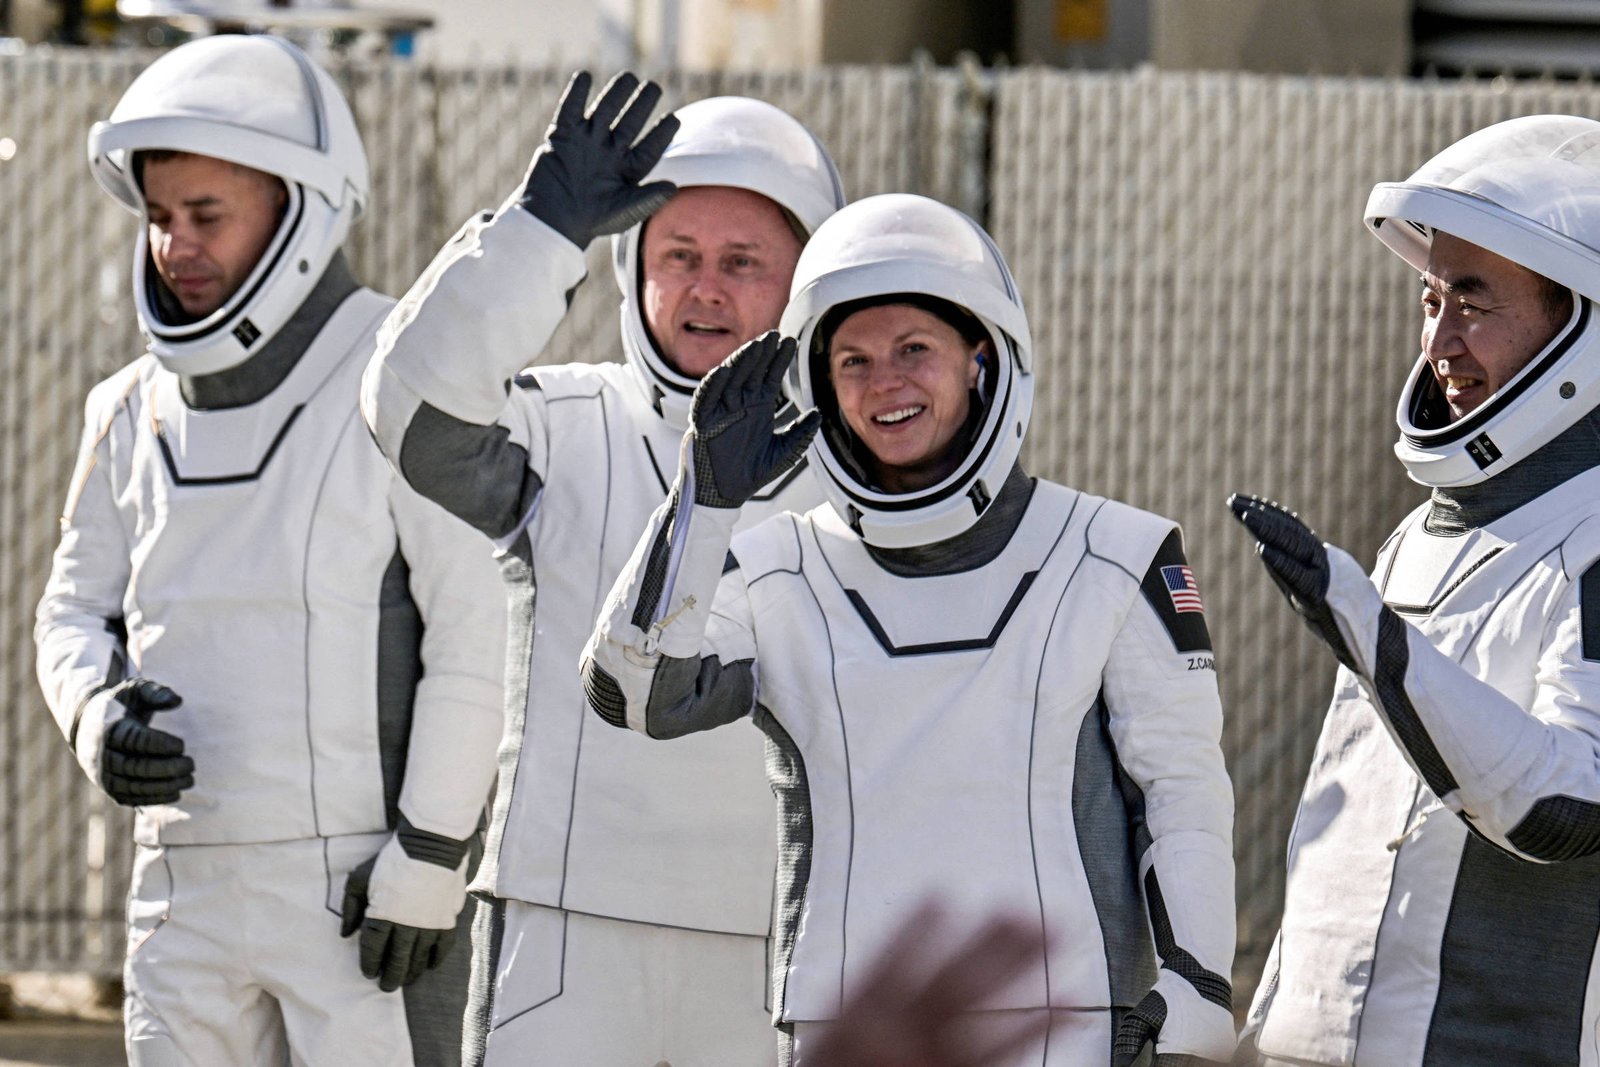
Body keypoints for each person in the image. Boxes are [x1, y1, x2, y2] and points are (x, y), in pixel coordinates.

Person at [582, 192, 1238, 1066]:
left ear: (981, 358)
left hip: (1071, 1023)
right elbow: (631, 694)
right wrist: (702, 502)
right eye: (852, 361)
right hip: (850, 1026)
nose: (884, 382)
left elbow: (1181, 790)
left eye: (914, 349)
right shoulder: (779, 565)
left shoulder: (1115, 554)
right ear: (821, 387)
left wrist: (1199, 987)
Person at [35, 35, 505, 1066]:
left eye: (207, 215)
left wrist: (431, 856)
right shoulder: (126, 410)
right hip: (181, 886)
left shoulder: (403, 374)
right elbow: (70, 610)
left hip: (362, 896)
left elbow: (480, 631)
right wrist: (95, 714)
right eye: (160, 216)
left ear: (301, 210)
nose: (175, 245)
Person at [360, 72, 843, 1063]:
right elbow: (409, 414)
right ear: (632, 268)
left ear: (806, 280)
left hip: (776, 941)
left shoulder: (861, 468)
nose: (705, 287)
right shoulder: (565, 424)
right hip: (559, 930)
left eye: (743, 262)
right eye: (678, 256)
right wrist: (538, 229)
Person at [1230, 114, 1600, 1067]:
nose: (1440, 338)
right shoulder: (1413, 538)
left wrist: (1379, 641)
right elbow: (1340, 815)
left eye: (1473, 302)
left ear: (1580, 323)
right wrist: (1262, 1025)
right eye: (1430, 299)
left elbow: (1571, 807)